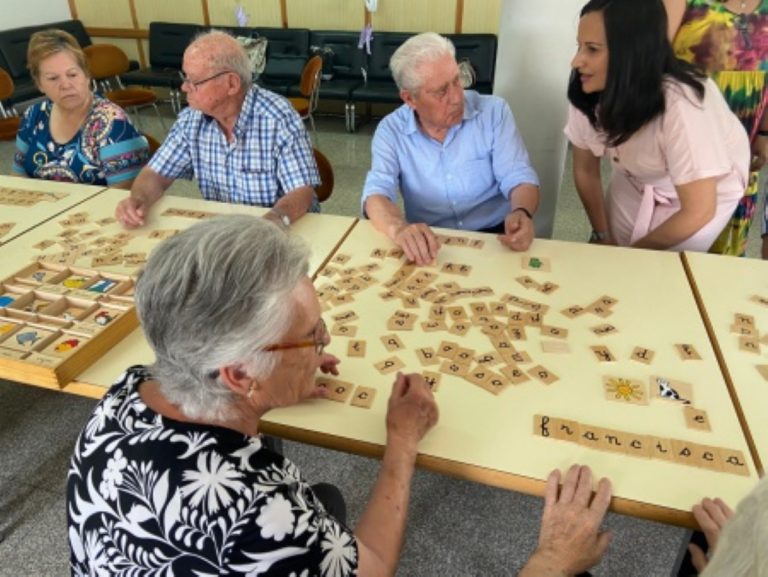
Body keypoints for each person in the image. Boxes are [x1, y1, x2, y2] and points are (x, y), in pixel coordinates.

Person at [67, 214, 439, 576]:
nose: (324, 340)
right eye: (311, 335)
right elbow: (372, 567)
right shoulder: (261, 512)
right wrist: (403, 439)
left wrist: (286, 372)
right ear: (240, 374)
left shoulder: (125, 389)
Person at [567, 0, 750, 252]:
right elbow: (586, 171)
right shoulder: (587, 87)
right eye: (579, 47)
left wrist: (634, 256)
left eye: (592, 49)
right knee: (611, 247)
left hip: (705, 189)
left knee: (663, 268)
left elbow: (698, 210)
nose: (576, 61)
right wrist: (602, 234)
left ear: (632, 53)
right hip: (637, 174)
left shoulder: (683, 104)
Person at [361, 32, 541, 266]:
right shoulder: (390, 131)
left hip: (496, 236)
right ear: (410, 99)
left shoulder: (494, 112)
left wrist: (522, 212)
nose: (457, 97)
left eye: (457, 80)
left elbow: (518, 176)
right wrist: (400, 229)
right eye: (441, 91)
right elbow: (376, 193)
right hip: (433, 242)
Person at [115, 30, 319, 230]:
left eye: (193, 81)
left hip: (284, 227)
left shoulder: (277, 117)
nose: (184, 88)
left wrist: (270, 223)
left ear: (231, 83)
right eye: (184, 77)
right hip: (225, 232)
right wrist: (138, 199)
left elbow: (301, 191)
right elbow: (155, 174)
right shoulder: (191, 119)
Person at [664, 0, 768, 258]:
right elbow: (647, 63)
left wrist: (765, 132)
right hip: (682, 154)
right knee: (668, 254)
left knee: (721, 265)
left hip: (740, 156)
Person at [12, 29, 149, 188]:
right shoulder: (33, 115)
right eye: (53, 78)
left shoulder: (112, 124)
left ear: (86, 75)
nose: (65, 85)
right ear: (39, 84)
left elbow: (122, 198)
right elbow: (18, 175)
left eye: (72, 75)